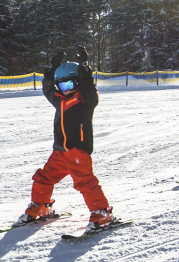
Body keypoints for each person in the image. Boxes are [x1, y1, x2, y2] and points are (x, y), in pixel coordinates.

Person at [20, 55, 115, 230]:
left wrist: (85, 71)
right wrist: (50, 73)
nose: (67, 90)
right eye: (63, 86)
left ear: (78, 83)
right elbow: (48, 90)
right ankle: (41, 206)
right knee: (44, 177)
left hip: (77, 151)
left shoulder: (85, 101)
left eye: (71, 85)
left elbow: (90, 91)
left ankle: (102, 212)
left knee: (85, 181)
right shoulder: (60, 101)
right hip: (60, 151)